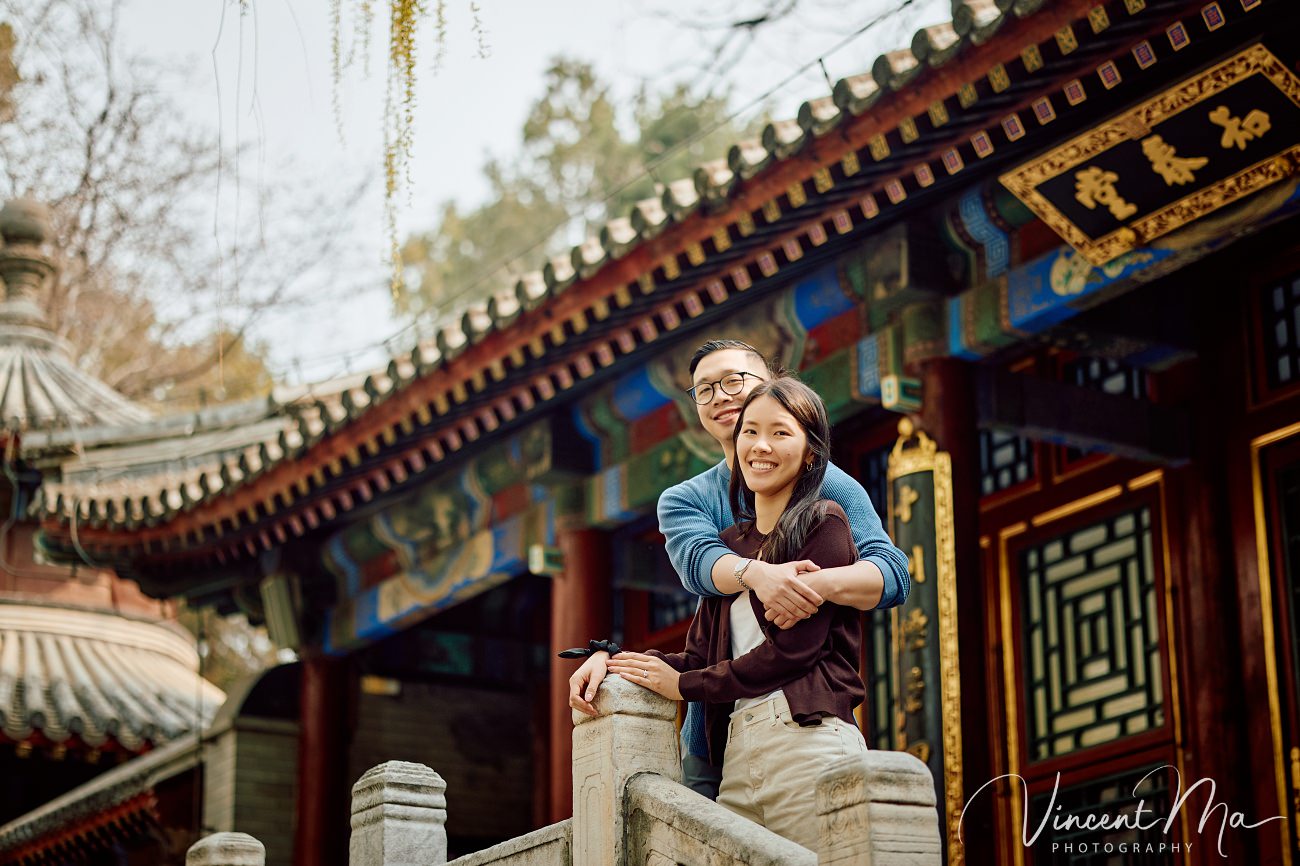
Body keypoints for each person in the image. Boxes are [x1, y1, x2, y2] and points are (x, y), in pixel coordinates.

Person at [568, 339, 910, 798]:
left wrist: (809, 583)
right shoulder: (686, 498)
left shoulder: (824, 489)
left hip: (802, 718)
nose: (721, 396)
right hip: (714, 733)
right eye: (704, 389)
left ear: (769, 386)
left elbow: (891, 573)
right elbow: (700, 567)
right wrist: (760, 575)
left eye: (734, 381)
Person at [606, 375, 867, 851]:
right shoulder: (731, 552)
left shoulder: (823, 521)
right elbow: (700, 656)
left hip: (807, 738)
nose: (760, 446)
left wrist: (685, 686)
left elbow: (793, 653)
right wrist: (615, 664)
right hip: (737, 754)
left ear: (811, 453)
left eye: (780, 432)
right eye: (750, 432)